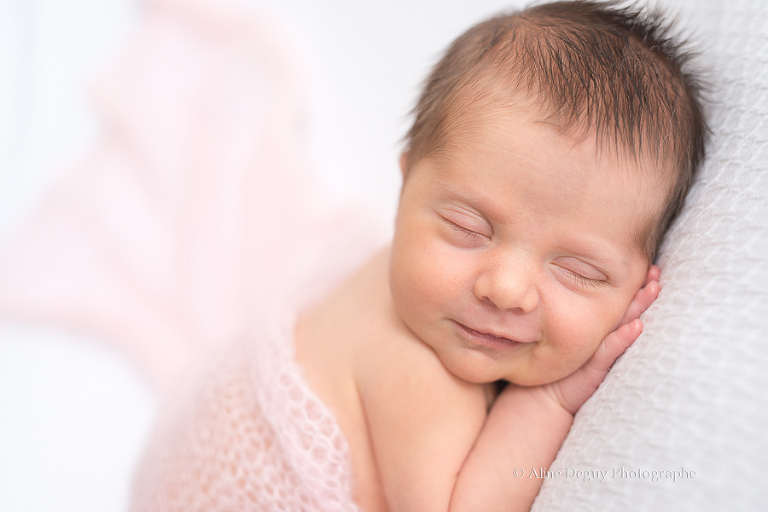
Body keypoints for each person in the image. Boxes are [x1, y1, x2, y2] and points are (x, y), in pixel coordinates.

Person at [131, 1, 706, 511]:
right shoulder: (417, 375)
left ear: (641, 278)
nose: (505, 288)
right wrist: (550, 400)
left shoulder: (411, 277)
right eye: (466, 228)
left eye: (576, 271)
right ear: (405, 187)